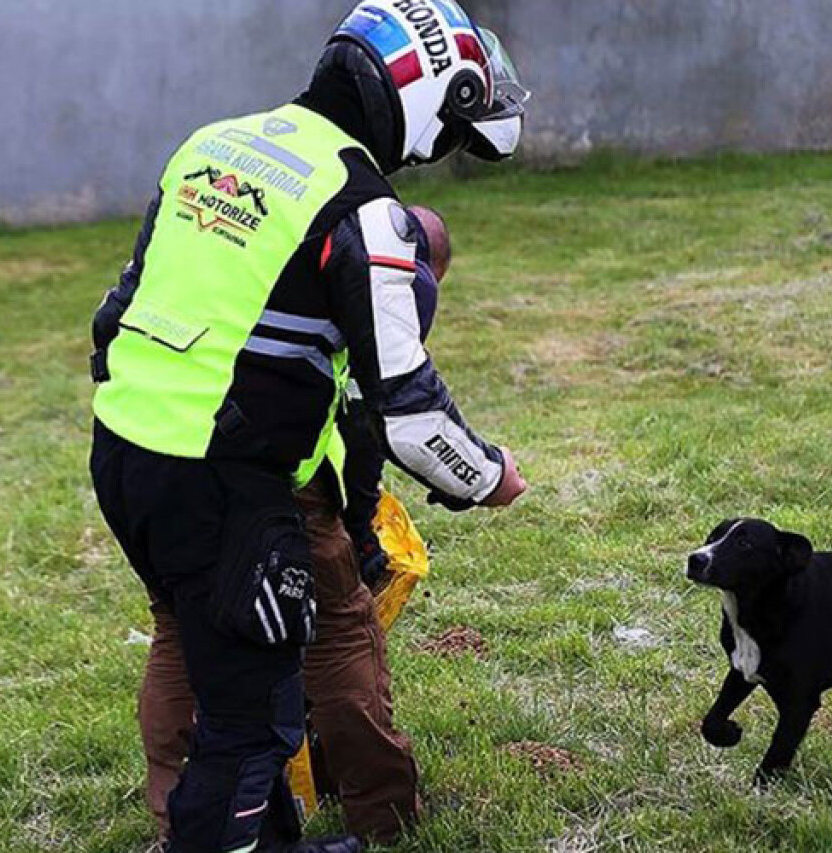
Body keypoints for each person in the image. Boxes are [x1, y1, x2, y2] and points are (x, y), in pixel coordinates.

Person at [88, 3, 529, 850]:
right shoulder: (362, 207)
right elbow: (405, 409)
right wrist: (489, 473)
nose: (434, 155)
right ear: (429, 93)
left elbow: (117, 315)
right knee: (252, 722)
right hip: (225, 477)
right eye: (448, 133)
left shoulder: (213, 144)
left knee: (206, 652)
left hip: (124, 447)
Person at [139, 207, 454, 847]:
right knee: (340, 629)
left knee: (178, 625)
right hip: (269, 480)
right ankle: (383, 812)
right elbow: (368, 414)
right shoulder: (376, 273)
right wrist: (360, 524)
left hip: (148, 452)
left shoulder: (221, 234)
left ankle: (174, 803)